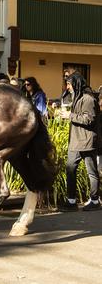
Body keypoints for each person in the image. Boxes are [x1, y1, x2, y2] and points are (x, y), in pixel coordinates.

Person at [60, 73, 101, 212]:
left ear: (76, 84)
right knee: (70, 169)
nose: (68, 87)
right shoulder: (77, 98)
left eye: (69, 84)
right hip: (76, 142)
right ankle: (71, 201)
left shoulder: (88, 99)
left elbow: (89, 119)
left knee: (91, 172)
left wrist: (69, 116)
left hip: (87, 141)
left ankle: (95, 201)